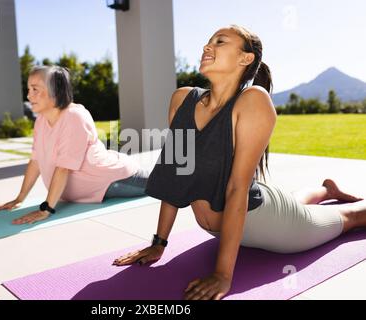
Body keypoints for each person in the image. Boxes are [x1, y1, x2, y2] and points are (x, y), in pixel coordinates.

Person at [112, 24, 365, 300]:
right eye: (208, 41)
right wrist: (158, 244)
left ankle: (331, 197)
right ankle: (327, 190)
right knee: (293, 201)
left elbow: (237, 189)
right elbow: (176, 174)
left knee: (349, 217)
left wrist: (223, 274)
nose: (207, 47)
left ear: (246, 58)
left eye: (220, 42)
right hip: (234, 218)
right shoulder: (182, 99)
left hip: (272, 223)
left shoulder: (254, 100)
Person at [0, 65, 150, 224]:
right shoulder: (41, 120)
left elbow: (63, 168)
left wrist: (46, 209)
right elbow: (35, 161)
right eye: (28, 89)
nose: (29, 96)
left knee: (166, 185)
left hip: (115, 179)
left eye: (35, 89)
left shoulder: (74, 117)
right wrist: (19, 198)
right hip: (87, 190)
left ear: (54, 90)